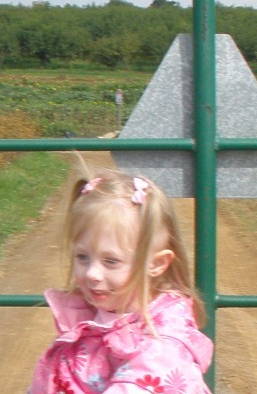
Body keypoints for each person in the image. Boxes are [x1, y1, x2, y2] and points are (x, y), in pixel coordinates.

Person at [29, 169, 213, 394]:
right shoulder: (94, 321)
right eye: (82, 257)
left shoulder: (161, 350)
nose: (92, 274)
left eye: (111, 261)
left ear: (156, 264)